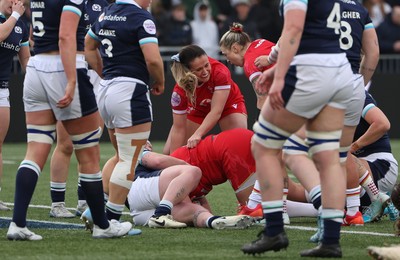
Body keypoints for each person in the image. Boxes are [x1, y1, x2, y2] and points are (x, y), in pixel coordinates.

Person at [7, 0, 133, 241]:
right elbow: (65, 36)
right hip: (64, 68)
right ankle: (103, 226)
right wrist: (72, 80)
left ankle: (18, 223)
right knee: (88, 153)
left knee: (34, 151)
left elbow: (36, 33)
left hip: (36, 67)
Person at [241, 0, 354, 257]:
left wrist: (279, 76)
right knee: (329, 158)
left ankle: (273, 230)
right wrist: (274, 64)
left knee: (263, 145)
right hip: (339, 69)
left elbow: (293, 29)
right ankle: (331, 241)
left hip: (310, 71)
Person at [85, 0, 165, 222]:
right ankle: (109, 221)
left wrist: (104, 72)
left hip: (107, 89)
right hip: (129, 91)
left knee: (121, 156)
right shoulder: (141, 17)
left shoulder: (107, 13)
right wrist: (160, 81)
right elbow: (153, 60)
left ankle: (95, 210)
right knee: (129, 160)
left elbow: (88, 44)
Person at [48, 0, 109, 219]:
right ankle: (57, 203)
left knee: (92, 141)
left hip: (97, 72)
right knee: (65, 144)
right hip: (73, 68)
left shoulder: (105, 5)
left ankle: (85, 200)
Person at [127, 143, 254, 229]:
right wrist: (185, 165)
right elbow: (157, 161)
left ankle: (213, 221)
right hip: (142, 188)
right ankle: (161, 213)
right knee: (193, 171)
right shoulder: (139, 152)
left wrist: (207, 212)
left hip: (138, 213)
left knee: (197, 211)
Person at [163, 44, 248, 155]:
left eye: (206, 65)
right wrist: (173, 159)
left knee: (238, 146)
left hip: (228, 104)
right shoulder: (179, 92)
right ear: (188, 72)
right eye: (199, 69)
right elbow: (179, 128)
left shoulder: (220, 72)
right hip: (198, 109)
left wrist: (197, 134)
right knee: (168, 153)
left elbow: (216, 112)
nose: (205, 71)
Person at [0, 0, 29, 211]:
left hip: (2, 88)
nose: (15, 2)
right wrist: (15, 16)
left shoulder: (21, 26)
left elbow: (26, 61)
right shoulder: (15, 20)